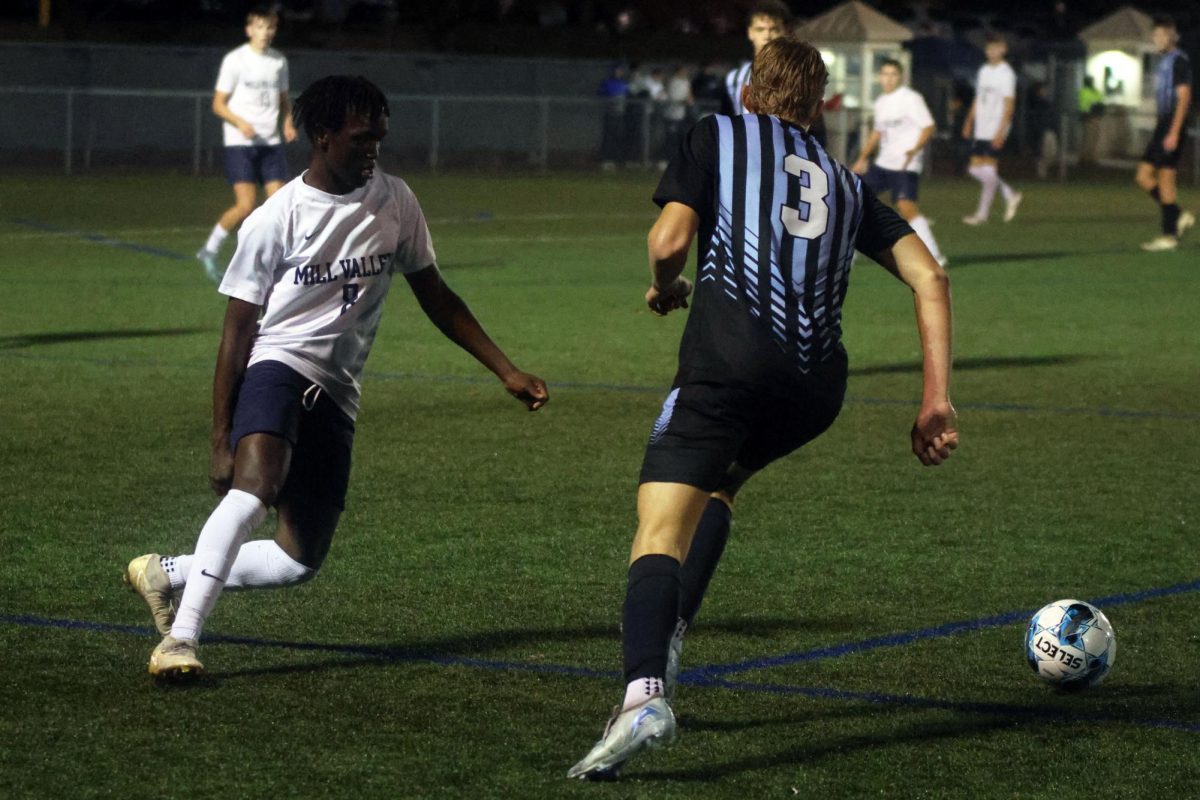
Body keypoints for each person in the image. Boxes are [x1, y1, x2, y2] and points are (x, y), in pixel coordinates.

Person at [567, 37, 958, 780]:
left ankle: (644, 692)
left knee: (658, 526)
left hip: (728, 370)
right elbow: (930, 278)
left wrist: (665, 284)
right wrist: (935, 397)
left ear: (749, 93)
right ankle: (673, 630)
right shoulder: (846, 181)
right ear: (819, 108)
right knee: (720, 485)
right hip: (814, 390)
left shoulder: (716, 133)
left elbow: (668, 238)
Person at [124, 75, 549, 679]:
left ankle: (167, 573)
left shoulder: (396, 200)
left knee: (300, 559)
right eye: (361, 139)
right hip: (278, 363)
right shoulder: (276, 219)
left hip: (340, 389)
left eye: (379, 137)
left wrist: (505, 369)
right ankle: (181, 640)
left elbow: (436, 294)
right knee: (253, 490)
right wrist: (220, 439)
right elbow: (237, 332)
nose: (373, 149)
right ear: (322, 137)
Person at [196, 6, 298, 284]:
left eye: (271, 28)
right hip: (240, 143)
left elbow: (283, 99)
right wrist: (239, 122)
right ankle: (209, 249)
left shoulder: (278, 61)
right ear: (249, 29)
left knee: (280, 205)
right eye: (261, 27)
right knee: (246, 206)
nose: (266, 33)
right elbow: (218, 104)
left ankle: (275, 259)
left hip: (271, 142)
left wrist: (287, 123)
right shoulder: (236, 60)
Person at [852, 58, 947, 266]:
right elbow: (877, 133)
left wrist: (914, 150)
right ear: (879, 77)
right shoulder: (881, 102)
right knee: (855, 201)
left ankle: (935, 255)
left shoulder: (911, 98)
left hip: (904, 164)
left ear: (901, 77)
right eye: (885, 74)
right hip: (884, 163)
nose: (888, 78)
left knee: (907, 208)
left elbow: (928, 127)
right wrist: (862, 158)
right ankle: (849, 252)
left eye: (893, 74)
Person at [1136, 16, 1194, 252]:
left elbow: (1184, 97)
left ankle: (1169, 235)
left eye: (1162, 35)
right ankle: (1178, 215)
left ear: (1172, 36)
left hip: (1172, 124)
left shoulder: (1178, 60)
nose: (1157, 39)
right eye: (1155, 35)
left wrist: (1174, 131)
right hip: (1163, 125)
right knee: (1143, 176)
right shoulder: (1163, 61)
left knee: (1166, 178)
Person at [961, 34, 1022, 225]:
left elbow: (1009, 105)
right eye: (988, 49)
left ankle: (988, 210)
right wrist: (969, 120)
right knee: (981, 171)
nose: (990, 52)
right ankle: (1003, 198)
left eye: (994, 48)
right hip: (981, 127)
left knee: (979, 170)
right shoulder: (984, 70)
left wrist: (1000, 131)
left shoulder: (1006, 74)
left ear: (1003, 49)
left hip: (995, 127)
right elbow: (978, 98)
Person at [722, 0, 791, 116]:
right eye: (760, 29)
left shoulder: (799, 76)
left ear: (785, 32)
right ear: (750, 32)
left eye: (774, 29)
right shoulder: (734, 79)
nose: (767, 36)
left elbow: (814, 128)